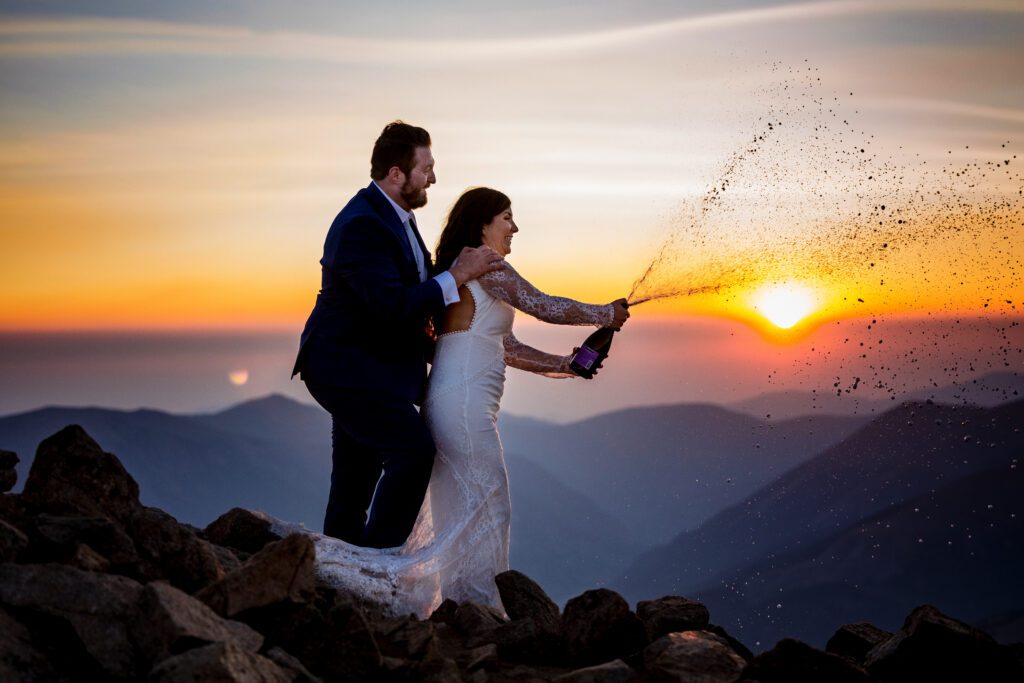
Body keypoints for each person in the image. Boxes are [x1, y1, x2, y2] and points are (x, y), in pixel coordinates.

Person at [275, 186, 628, 617]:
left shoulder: (464, 272)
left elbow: (506, 346)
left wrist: (564, 365)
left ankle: (464, 604)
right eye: (507, 217)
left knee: (472, 506)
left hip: (456, 402)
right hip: (462, 406)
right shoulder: (487, 263)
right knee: (488, 501)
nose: (515, 227)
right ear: (483, 223)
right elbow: (545, 306)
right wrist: (605, 314)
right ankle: (475, 608)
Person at [292, 121, 504, 549]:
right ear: (395, 174)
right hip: (346, 368)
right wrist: (457, 274)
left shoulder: (396, 217)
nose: (433, 178)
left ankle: (343, 572)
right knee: (412, 452)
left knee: (354, 478)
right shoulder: (361, 225)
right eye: (426, 168)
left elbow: (406, 297)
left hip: (371, 368)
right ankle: (382, 562)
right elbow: (390, 304)